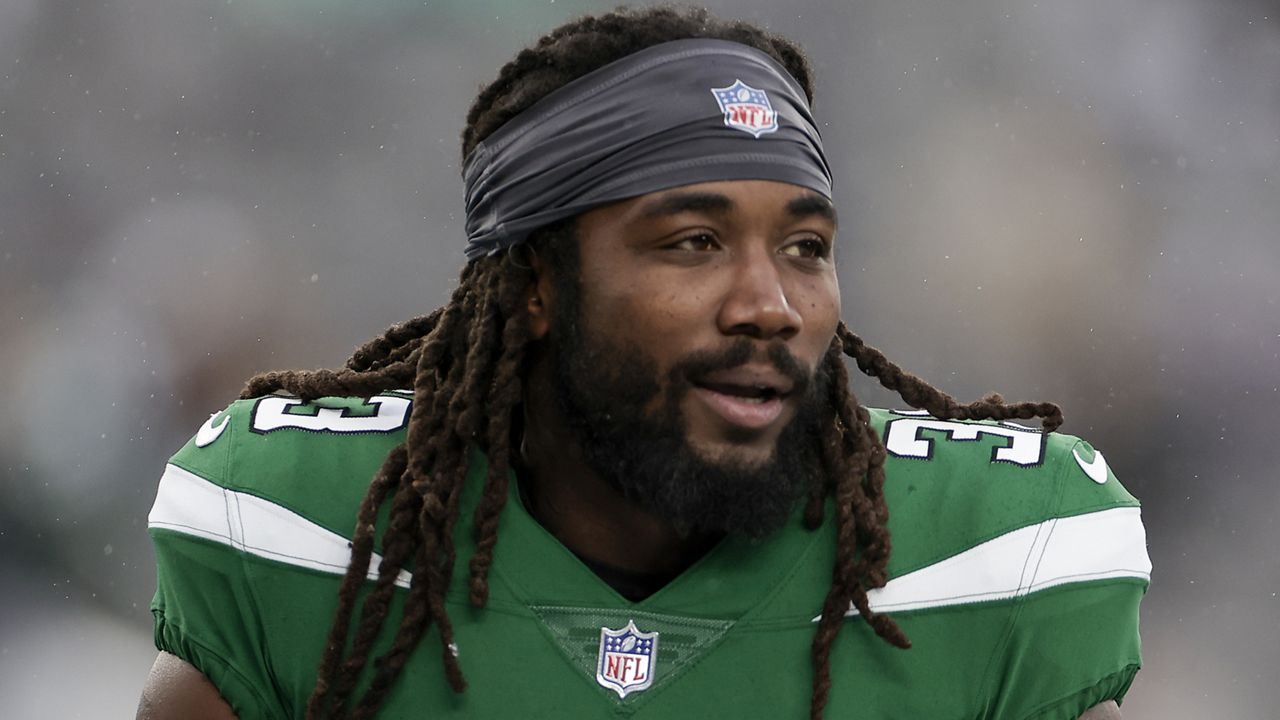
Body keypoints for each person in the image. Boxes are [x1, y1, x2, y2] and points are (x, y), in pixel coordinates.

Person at [137, 7, 1150, 720]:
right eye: (692, 242)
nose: (769, 306)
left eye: (804, 247)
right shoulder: (303, 536)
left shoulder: (985, 559)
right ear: (537, 280)